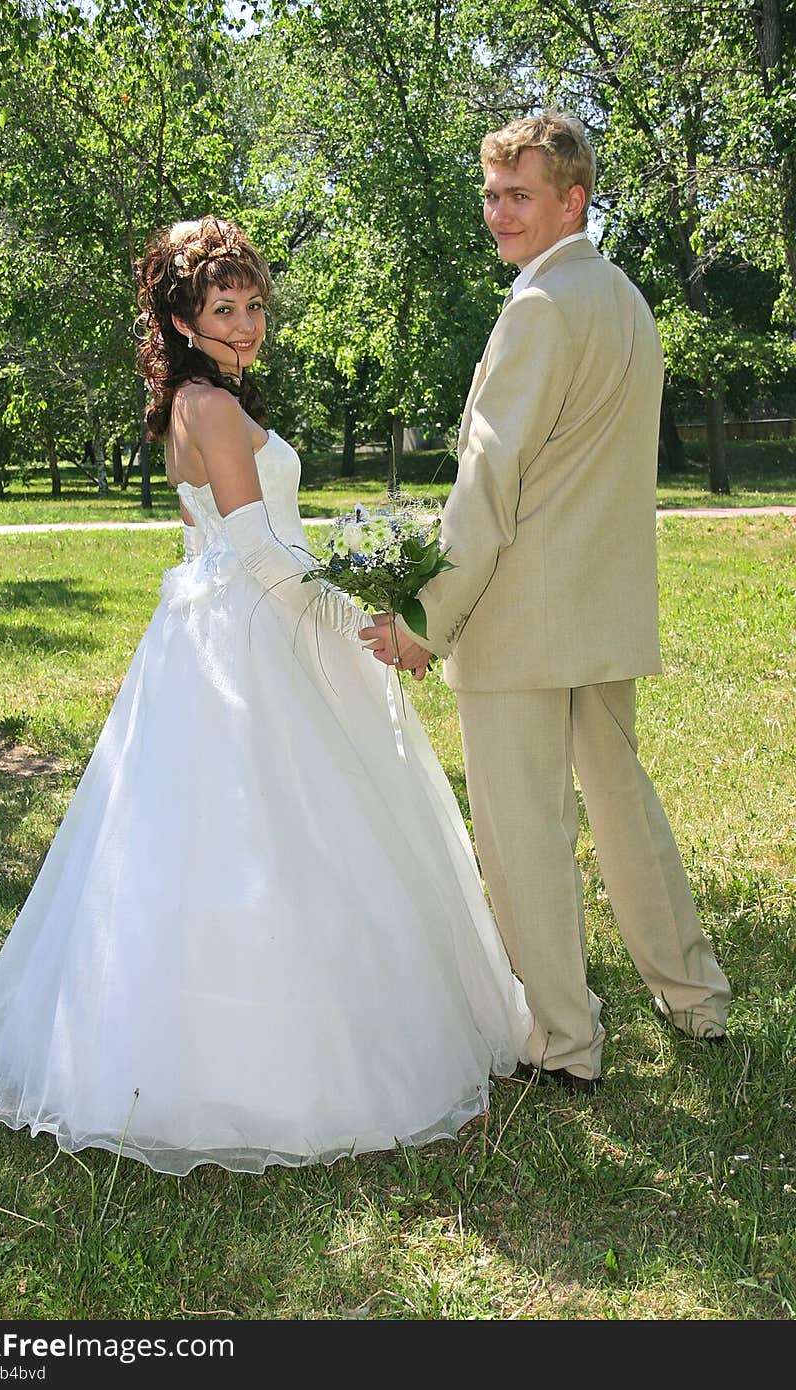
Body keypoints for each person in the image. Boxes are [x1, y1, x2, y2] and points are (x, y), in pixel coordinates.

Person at [0, 215, 532, 1175]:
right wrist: (364, 620)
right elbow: (260, 554)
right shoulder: (209, 412)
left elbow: (268, 542)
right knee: (267, 834)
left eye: (255, 306)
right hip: (250, 635)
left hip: (233, 625)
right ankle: (264, 1067)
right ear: (180, 322)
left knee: (265, 835)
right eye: (224, 310)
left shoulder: (206, 401)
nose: (247, 325)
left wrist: (346, 581)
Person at [363, 112, 731, 1092]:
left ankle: (562, 1044)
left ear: (573, 198)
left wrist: (423, 618)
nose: (496, 214)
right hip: (602, 609)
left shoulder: (537, 309)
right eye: (489, 193)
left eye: (517, 195)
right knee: (624, 812)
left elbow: (489, 487)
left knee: (523, 835)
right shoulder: (621, 297)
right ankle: (695, 1001)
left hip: (523, 617)